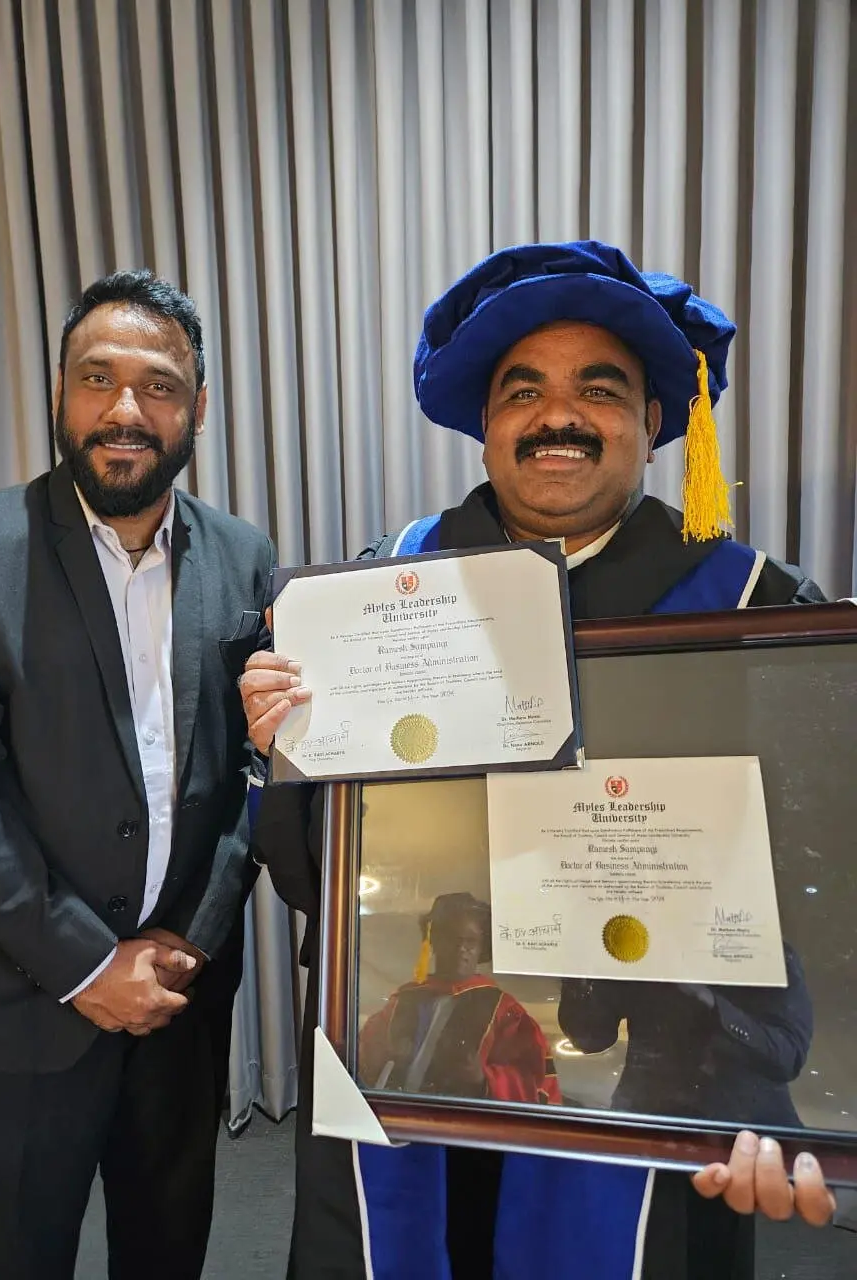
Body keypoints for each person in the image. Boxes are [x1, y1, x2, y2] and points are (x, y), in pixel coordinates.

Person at [242, 242, 837, 1278]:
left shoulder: (755, 607)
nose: (558, 416)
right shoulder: (380, 594)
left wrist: (797, 1097)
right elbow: (315, 879)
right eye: (524, 392)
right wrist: (282, 756)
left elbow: (809, 890)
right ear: (487, 424)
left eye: (598, 389)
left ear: (654, 420)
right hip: (414, 1069)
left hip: (644, 1081)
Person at [0, 270, 274, 1280]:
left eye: (159, 385)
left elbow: (257, 766)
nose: (125, 409)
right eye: (97, 378)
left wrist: (194, 937)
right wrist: (86, 963)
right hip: (19, 993)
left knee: (168, 1248)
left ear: (197, 407)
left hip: (179, 999)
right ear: (61, 393)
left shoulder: (246, 556)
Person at [558, 943, 812, 1127]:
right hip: (647, 1130)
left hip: (745, 1137)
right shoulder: (644, 947)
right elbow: (591, 1038)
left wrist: (711, 1004)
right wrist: (578, 978)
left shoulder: (765, 951)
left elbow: (788, 1056)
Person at [359, 892, 560, 1104]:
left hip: (459, 1120)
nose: (461, 949)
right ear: (434, 941)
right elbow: (363, 1059)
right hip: (397, 1116)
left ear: (481, 947)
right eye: (450, 938)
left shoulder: (504, 1010)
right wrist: (381, 1056)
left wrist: (483, 1078)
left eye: (470, 941)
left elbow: (535, 1080)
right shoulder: (404, 1001)